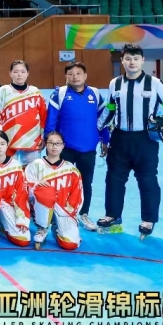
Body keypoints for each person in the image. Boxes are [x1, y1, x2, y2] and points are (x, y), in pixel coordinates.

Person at [96, 43, 163, 240]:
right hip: (120, 138)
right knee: (114, 178)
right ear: (122, 61)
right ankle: (112, 216)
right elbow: (109, 109)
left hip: (145, 140)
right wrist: (97, 128)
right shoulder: (114, 83)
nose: (132, 62)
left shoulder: (155, 83)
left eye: (136, 59)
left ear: (142, 60)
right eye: (128, 58)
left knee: (147, 180)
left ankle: (148, 219)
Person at [43, 61, 110, 232]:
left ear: (85, 76)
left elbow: (103, 119)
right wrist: (48, 141)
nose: (75, 77)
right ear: (66, 77)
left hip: (88, 148)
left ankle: (83, 213)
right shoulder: (59, 94)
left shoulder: (95, 94)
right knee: (60, 182)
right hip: (65, 148)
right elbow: (51, 119)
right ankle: (58, 215)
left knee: (86, 182)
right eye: (70, 74)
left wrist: (105, 140)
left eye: (78, 73)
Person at [25, 131, 83, 250]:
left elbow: (77, 195)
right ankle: (42, 227)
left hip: (62, 210)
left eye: (58, 143)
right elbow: (24, 188)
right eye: (51, 143)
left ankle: (57, 228)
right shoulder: (35, 165)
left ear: (63, 146)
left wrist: (68, 214)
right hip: (39, 209)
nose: (54, 146)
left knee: (70, 244)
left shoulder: (71, 169)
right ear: (46, 144)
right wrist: (36, 186)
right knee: (45, 190)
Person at [0, 60, 48, 166]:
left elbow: (44, 116)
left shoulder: (35, 92)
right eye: (16, 71)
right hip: (8, 141)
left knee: (32, 172)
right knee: (9, 171)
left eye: (22, 71)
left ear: (27, 73)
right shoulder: (2, 91)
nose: (19, 75)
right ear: (10, 73)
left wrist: (43, 137)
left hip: (32, 141)